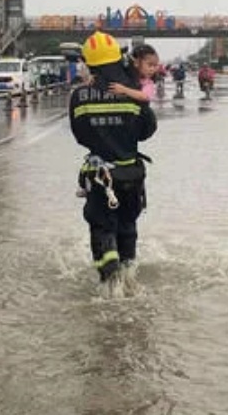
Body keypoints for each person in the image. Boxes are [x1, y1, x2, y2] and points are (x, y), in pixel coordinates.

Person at [70, 31, 158, 297]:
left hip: (101, 176)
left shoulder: (79, 96)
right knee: (127, 226)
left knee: (102, 226)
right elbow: (148, 130)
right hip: (131, 175)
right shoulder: (132, 93)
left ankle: (109, 280)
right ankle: (129, 276)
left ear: (90, 64)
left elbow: (80, 136)